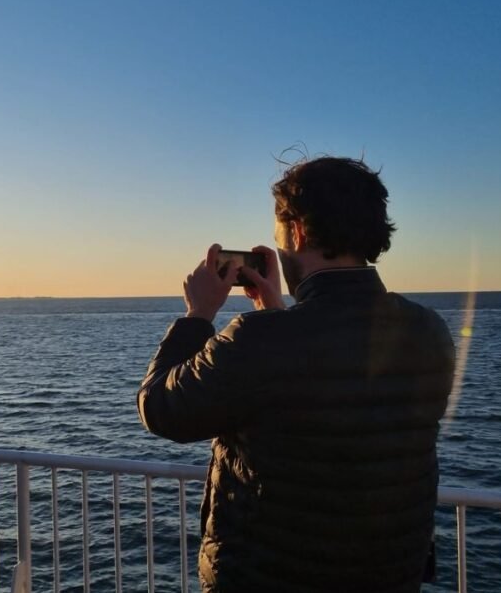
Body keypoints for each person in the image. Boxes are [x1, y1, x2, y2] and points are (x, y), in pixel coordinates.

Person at [137, 156, 456, 592]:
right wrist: (275, 313)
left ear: (299, 232)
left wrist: (198, 316)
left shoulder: (260, 340)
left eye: (280, 238)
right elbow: (335, 413)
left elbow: (161, 409)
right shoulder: (428, 330)